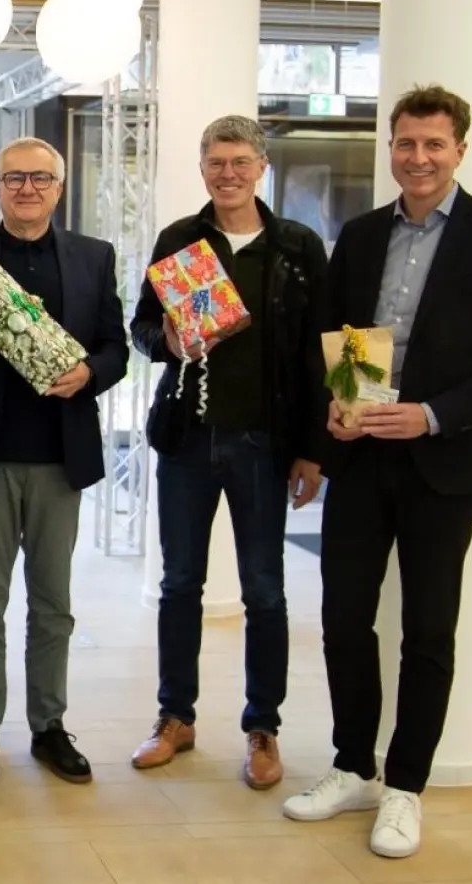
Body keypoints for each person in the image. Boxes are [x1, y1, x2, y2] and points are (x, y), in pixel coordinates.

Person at [282, 85, 472, 858]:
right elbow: (335, 338)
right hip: (359, 459)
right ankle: (350, 765)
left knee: (428, 632)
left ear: (459, 149)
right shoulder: (360, 235)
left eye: (433, 144)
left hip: (444, 464)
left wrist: (432, 414)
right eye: (405, 143)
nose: (418, 158)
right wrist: (337, 409)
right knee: (340, 622)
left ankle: (403, 787)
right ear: (389, 148)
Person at [127, 115, 329, 790]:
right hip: (187, 437)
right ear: (202, 167)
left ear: (261, 166)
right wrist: (170, 343)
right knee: (179, 584)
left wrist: (312, 450)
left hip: (263, 444)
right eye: (215, 161)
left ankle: (261, 727)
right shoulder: (180, 241)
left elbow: (314, 356)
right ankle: (172, 717)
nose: (228, 173)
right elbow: (140, 328)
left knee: (264, 591)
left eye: (240, 161)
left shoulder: (296, 247)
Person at [0, 136, 129, 788]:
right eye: (14, 177)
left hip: (58, 455)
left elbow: (116, 348)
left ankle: (48, 726)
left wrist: (87, 375)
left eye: (40, 177)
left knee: (53, 603)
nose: (27, 187)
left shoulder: (92, 258)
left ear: (58, 187)